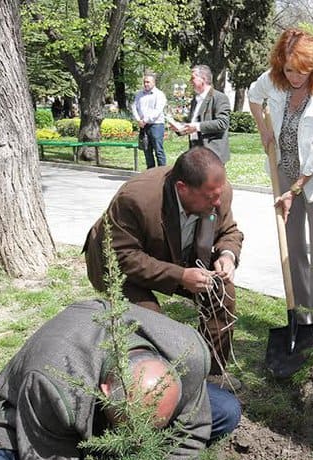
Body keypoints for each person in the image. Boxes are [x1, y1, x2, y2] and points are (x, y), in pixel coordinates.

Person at [0, 299, 241, 460]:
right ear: (105, 393)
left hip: (104, 404)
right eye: (129, 429)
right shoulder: (52, 382)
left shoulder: (188, 355)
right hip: (35, 419)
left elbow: (190, 432)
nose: (139, 441)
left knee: (225, 410)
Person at [84, 147, 243, 387]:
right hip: (118, 264)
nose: (218, 202)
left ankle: (210, 372)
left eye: (219, 194)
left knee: (223, 292)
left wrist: (227, 255)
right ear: (182, 188)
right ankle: (152, 384)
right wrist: (180, 276)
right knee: (150, 319)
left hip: (176, 255)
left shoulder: (217, 192)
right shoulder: (136, 198)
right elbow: (122, 255)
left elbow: (229, 231)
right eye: (210, 197)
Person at [248, 28, 313, 346]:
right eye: (288, 69)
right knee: (292, 254)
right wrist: (264, 129)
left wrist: (296, 189)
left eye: (301, 69)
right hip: (284, 176)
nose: (294, 76)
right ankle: (303, 321)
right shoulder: (274, 79)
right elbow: (253, 94)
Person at [172, 64, 231, 163]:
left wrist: (197, 126)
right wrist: (179, 128)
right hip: (195, 153)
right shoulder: (195, 100)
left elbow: (222, 123)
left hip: (212, 154)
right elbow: (193, 122)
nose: (190, 81)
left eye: (193, 78)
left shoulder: (219, 98)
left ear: (203, 78)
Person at [132, 73, 167, 168]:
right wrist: (138, 120)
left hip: (156, 125)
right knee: (146, 150)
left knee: (158, 150)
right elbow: (134, 107)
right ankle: (150, 172)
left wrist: (145, 120)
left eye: (148, 82)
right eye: (144, 82)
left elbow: (158, 111)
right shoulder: (139, 94)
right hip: (143, 126)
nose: (146, 84)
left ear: (154, 82)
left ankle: (162, 173)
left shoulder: (159, 94)